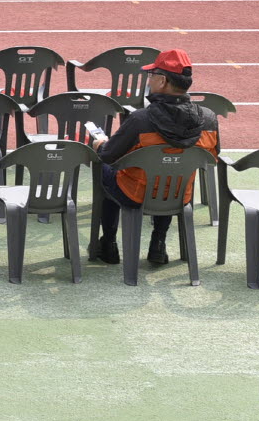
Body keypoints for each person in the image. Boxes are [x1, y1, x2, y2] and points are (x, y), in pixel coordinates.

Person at [84, 49, 221, 267]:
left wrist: (100, 144)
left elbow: (109, 156)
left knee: (105, 170)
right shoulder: (209, 119)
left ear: (163, 80)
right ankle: (158, 243)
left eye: (151, 75)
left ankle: (108, 244)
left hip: (137, 194)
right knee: (169, 175)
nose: (148, 80)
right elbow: (211, 157)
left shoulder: (140, 119)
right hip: (180, 194)